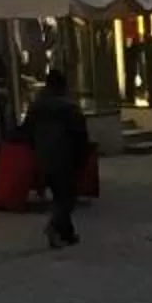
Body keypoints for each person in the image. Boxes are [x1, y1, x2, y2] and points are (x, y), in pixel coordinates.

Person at [23, 68, 90, 249]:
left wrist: (35, 150)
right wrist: (83, 156)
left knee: (60, 195)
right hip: (65, 156)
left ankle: (67, 234)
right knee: (67, 197)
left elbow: (27, 131)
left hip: (44, 157)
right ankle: (53, 227)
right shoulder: (69, 107)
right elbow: (80, 135)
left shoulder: (36, 105)